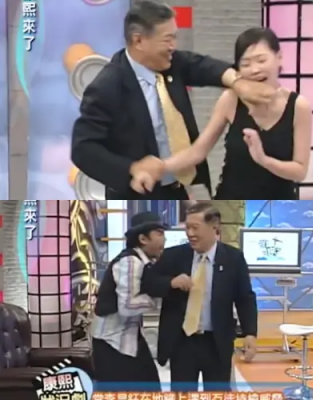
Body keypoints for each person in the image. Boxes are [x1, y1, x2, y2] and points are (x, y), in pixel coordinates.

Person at [71, 1, 278, 200]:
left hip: (185, 190)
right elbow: (83, 149)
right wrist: (131, 170)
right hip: (140, 195)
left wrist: (238, 82)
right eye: (167, 39)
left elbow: (204, 67)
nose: (173, 46)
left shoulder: (172, 63)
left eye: (175, 38)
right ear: (138, 41)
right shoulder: (107, 86)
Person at [132, 27, 313, 200]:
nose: (255, 69)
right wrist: (161, 166)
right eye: (246, 64)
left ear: (279, 58)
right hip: (230, 202)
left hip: (278, 205)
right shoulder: (231, 99)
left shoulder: (299, 106)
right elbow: (198, 151)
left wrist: (263, 160)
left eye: (261, 60)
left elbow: (300, 171)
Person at [141, 202, 258, 391]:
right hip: (182, 342)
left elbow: (245, 298)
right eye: (187, 227)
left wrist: (250, 333)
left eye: (195, 228)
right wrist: (170, 283)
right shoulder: (173, 256)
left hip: (216, 342)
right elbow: (149, 284)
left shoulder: (233, 258)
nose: (190, 233)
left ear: (214, 228)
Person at [91, 211, 190, 388]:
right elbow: (127, 306)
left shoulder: (144, 262)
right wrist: (164, 292)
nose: (165, 239)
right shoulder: (130, 262)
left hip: (128, 338)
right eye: (159, 233)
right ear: (143, 239)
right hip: (112, 342)